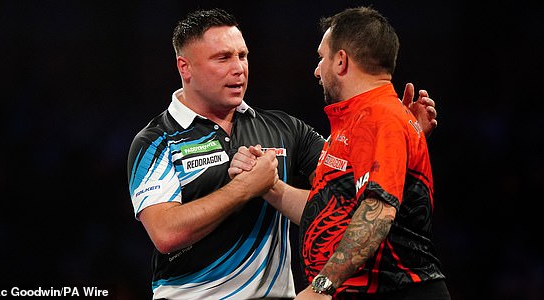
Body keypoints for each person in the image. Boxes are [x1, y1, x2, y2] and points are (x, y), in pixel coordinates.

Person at [127, 8, 438, 300]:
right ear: (185, 67)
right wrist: (246, 188)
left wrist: (404, 137)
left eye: (242, 55)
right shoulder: (156, 141)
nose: (238, 68)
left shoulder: (285, 128)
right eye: (222, 58)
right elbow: (166, 233)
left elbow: (344, 199)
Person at [229, 6, 449, 300]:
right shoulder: (359, 120)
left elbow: (379, 212)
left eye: (322, 57)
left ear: (341, 61)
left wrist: (323, 286)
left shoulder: (380, 117)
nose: (317, 70)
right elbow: (331, 210)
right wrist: (267, 185)